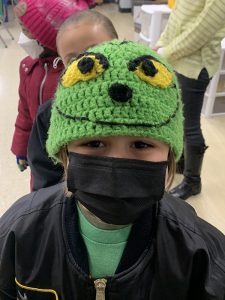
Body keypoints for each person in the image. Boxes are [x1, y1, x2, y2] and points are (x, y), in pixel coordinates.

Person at [1, 40, 225, 299]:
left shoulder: (202, 255)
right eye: (94, 143)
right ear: (64, 153)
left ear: (170, 155)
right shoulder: (18, 234)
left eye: (141, 144)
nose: (116, 166)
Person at [27, 10, 118, 191]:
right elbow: (45, 177)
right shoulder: (50, 115)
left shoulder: (140, 104)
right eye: (72, 59)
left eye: (94, 51)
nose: (85, 64)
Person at [11, 0, 94, 172]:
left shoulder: (75, 73)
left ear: (48, 36)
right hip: (39, 157)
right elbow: (25, 112)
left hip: (71, 160)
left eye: (26, 29)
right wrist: (21, 148)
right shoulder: (28, 67)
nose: (22, 36)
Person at [154, 0, 225, 200]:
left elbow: (201, 32)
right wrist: (162, 42)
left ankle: (193, 181)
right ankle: (183, 162)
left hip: (195, 65)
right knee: (179, 116)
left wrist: (165, 52)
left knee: (190, 125)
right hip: (178, 60)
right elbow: (179, 15)